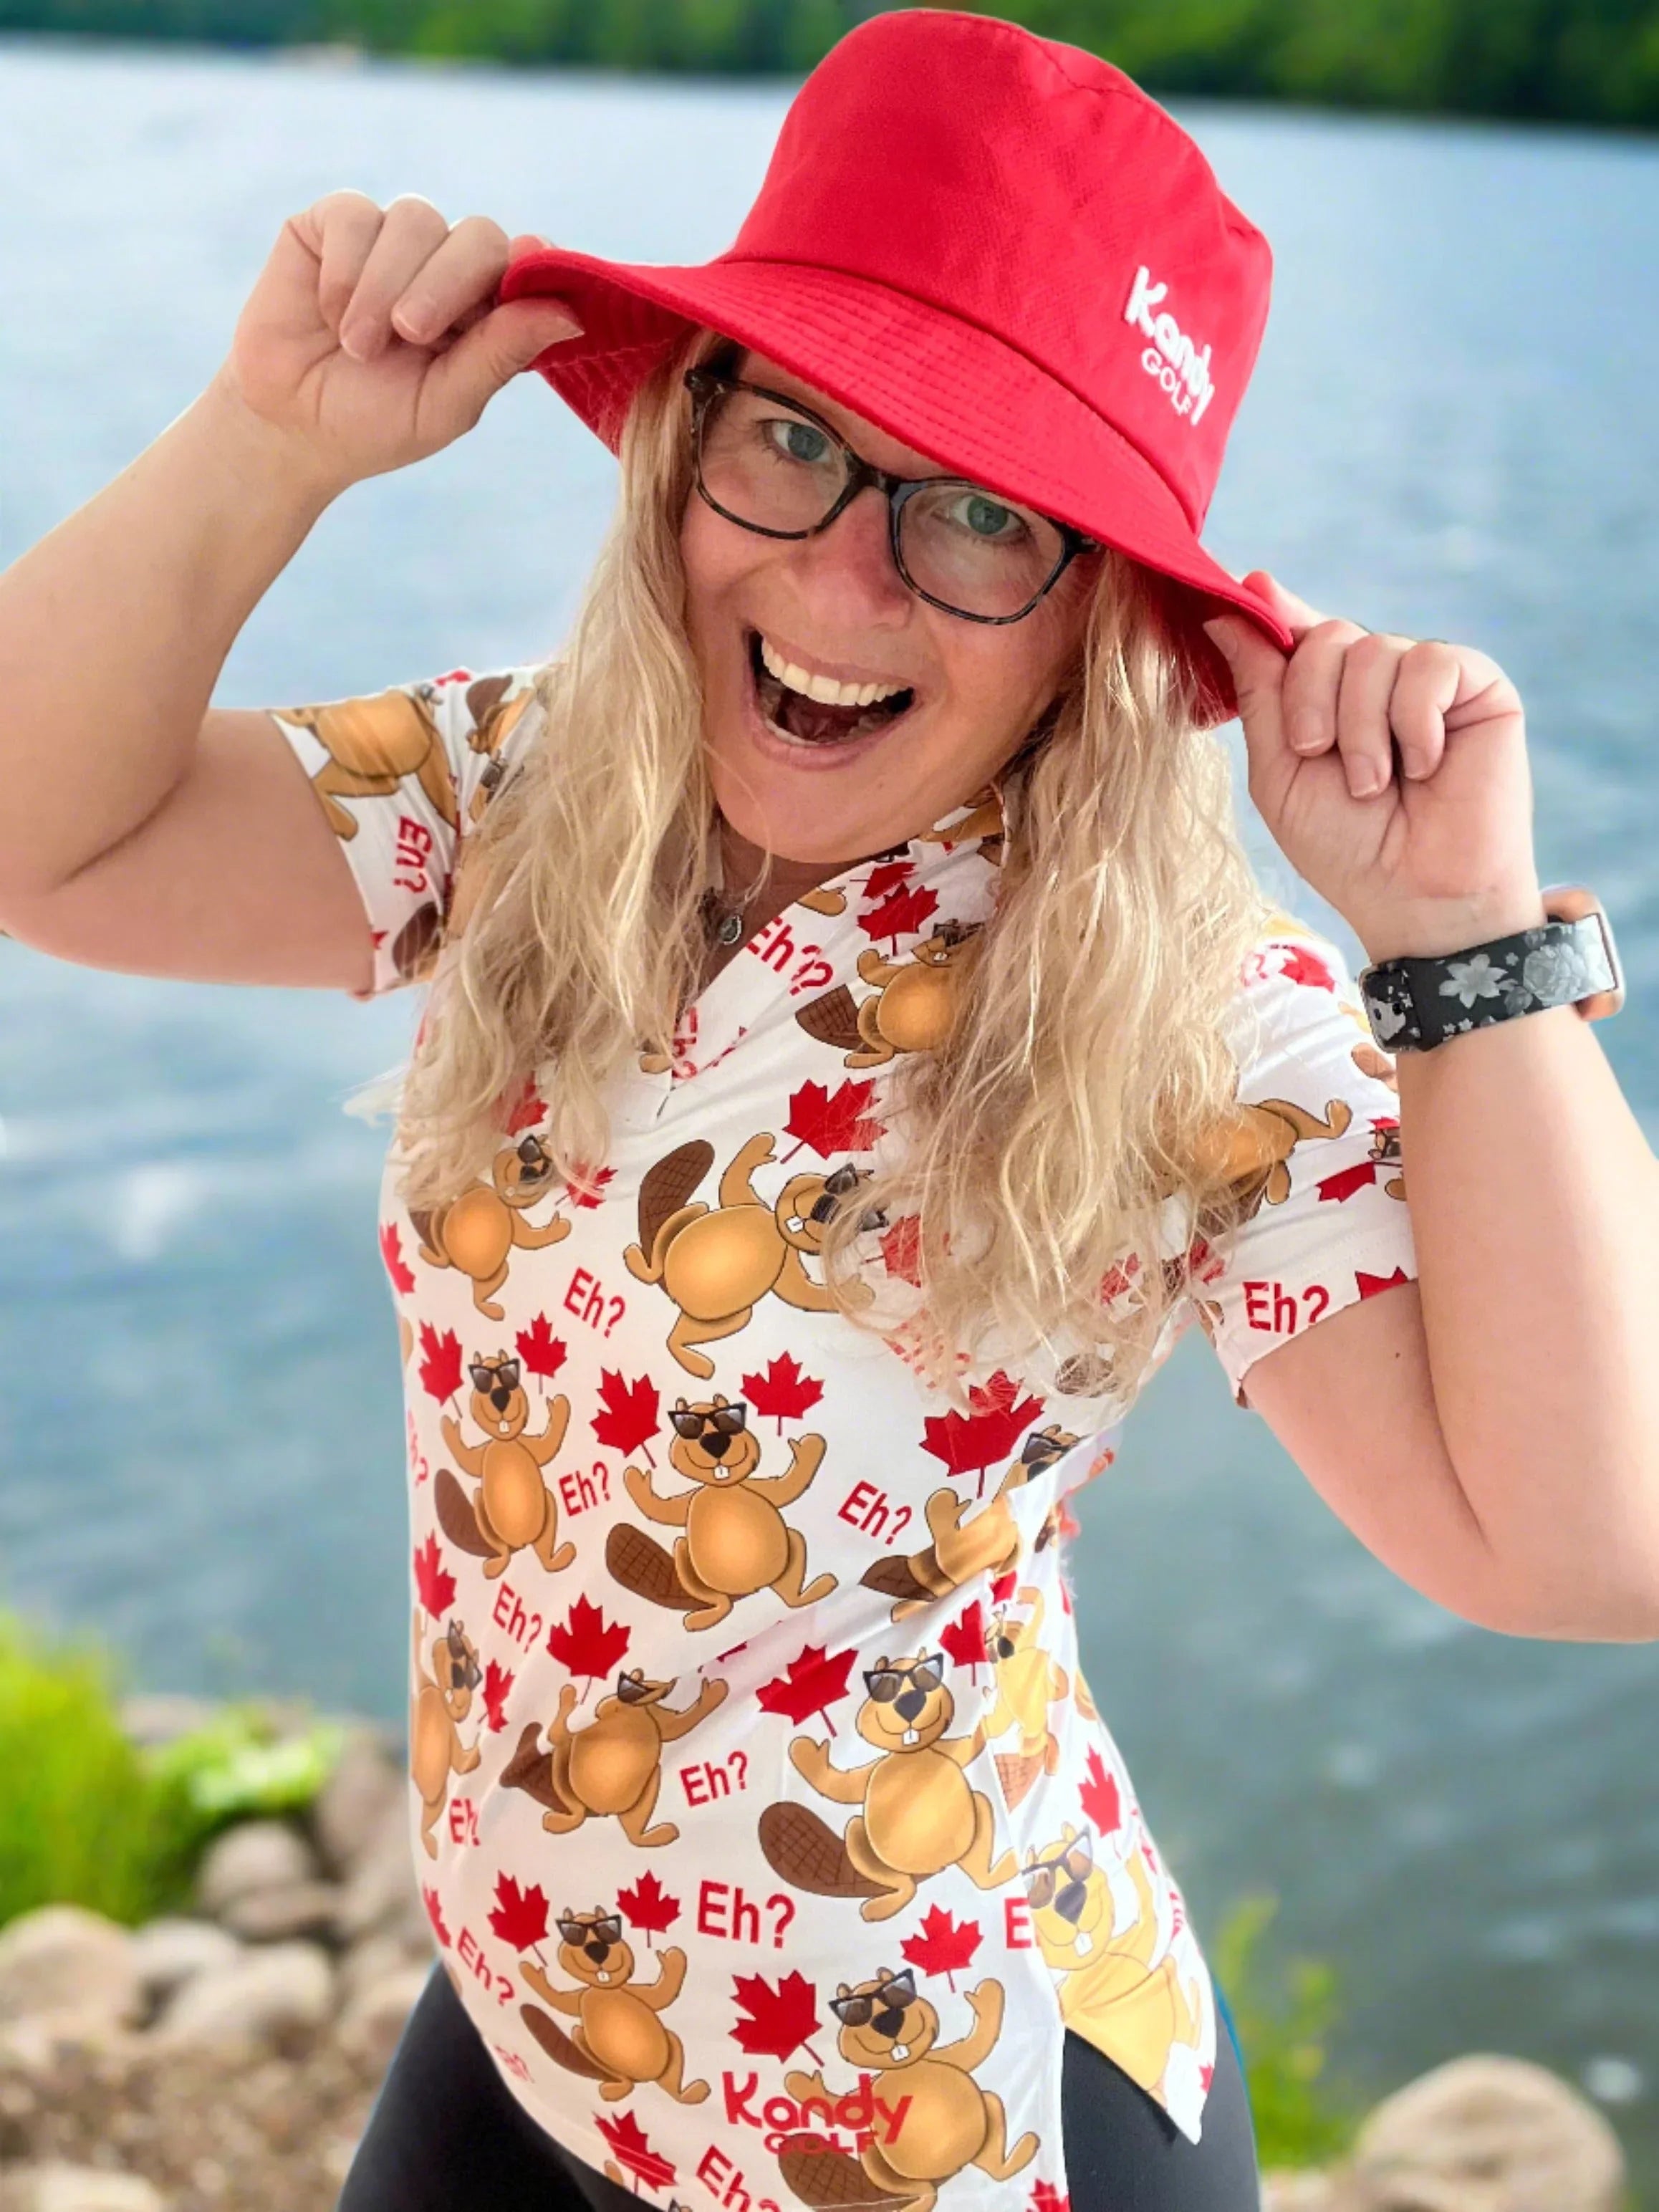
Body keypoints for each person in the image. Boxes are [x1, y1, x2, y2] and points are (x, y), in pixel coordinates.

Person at [1, 9, 1653, 2211]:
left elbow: (1577, 1550)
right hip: (533, 2021)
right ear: (683, 442)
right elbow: (47, 837)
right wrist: (262, 443)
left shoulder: (1179, 1014)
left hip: (931, 2108)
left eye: (985, 516)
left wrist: (1464, 954)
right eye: (789, 439)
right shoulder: (530, 796)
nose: (845, 574)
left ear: (1106, 620)